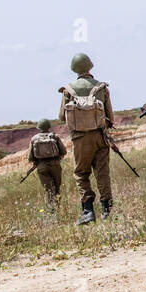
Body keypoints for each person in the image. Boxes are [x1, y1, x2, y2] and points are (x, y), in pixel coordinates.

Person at [58, 53, 113, 224]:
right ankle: (107, 209)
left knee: (81, 174)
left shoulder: (69, 90)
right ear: (90, 66)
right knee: (102, 173)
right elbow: (110, 116)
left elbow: (61, 117)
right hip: (100, 137)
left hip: (80, 139)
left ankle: (88, 211)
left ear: (74, 69)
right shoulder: (101, 87)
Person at [28, 118, 67, 212]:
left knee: (48, 190)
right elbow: (64, 151)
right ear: (49, 126)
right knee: (56, 188)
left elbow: (30, 157)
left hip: (41, 167)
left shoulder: (34, 138)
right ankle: (57, 208)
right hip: (55, 165)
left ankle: (51, 210)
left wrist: (37, 162)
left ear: (39, 127)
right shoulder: (54, 136)